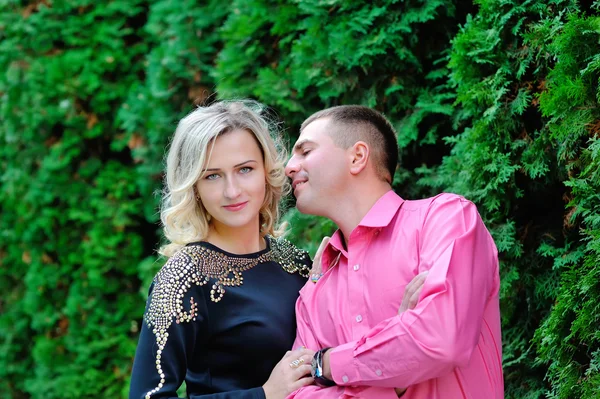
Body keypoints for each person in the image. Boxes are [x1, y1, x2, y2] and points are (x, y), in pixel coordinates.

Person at [284, 105, 504, 398]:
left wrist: (326, 362)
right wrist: (396, 371)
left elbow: (441, 340)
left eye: (305, 151)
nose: (289, 166)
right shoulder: (316, 286)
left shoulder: (446, 219)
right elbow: (298, 393)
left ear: (357, 157)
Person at [129, 100, 316, 399]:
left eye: (245, 169)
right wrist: (264, 394)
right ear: (194, 187)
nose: (232, 191)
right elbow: (147, 396)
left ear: (267, 171)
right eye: (212, 175)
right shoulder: (183, 278)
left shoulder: (297, 263)